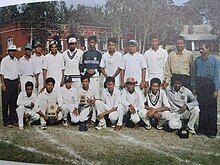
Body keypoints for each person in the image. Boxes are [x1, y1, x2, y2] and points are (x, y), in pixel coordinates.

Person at [194, 43, 219, 138]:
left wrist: (216, 90)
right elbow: (194, 75)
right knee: (202, 108)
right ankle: (202, 128)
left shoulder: (215, 61)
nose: (201, 51)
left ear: (208, 49)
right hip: (200, 85)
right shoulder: (197, 61)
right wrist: (194, 87)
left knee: (211, 109)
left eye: (203, 49)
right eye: (200, 49)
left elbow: (217, 76)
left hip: (210, 85)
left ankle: (211, 131)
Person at [0, 45, 20, 127]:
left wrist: (18, 83)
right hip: (7, 82)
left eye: (14, 51)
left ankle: (13, 120)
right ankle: (6, 122)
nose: (12, 52)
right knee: (5, 103)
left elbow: (18, 73)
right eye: (11, 51)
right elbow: (2, 74)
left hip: (14, 82)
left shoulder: (16, 60)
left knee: (13, 102)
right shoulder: (4, 60)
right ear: (8, 51)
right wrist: (3, 84)